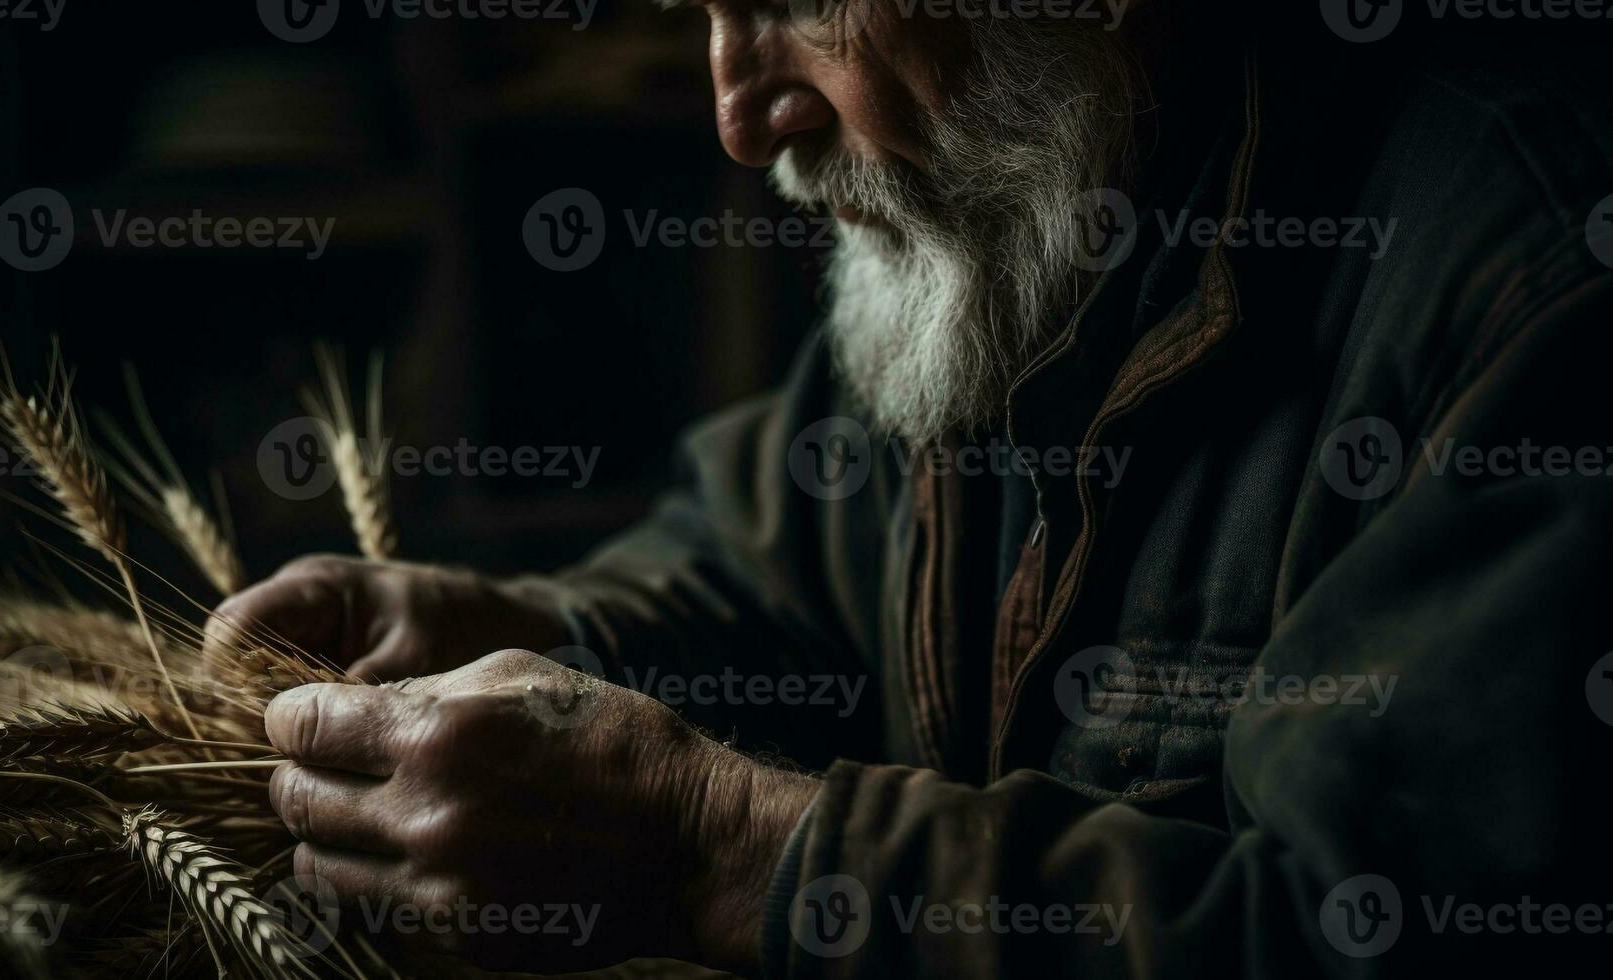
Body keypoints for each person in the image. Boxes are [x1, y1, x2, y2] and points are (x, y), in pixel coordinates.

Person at [213, 3, 1613, 975]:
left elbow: (1359, 934)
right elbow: (774, 571)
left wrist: (718, 849)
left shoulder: (1531, 284)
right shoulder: (1019, 199)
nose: (739, 116)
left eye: (798, 2)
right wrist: (532, 632)